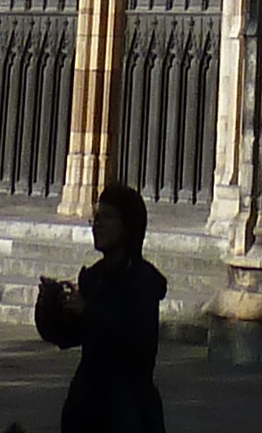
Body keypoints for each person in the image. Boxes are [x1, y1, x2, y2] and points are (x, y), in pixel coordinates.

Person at [34, 178, 167, 433]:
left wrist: (88, 311)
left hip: (127, 409)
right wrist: (49, 306)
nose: (97, 225)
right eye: (95, 217)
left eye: (107, 218)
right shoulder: (94, 277)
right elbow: (67, 336)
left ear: (127, 227)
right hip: (87, 405)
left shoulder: (143, 281)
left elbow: (139, 345)